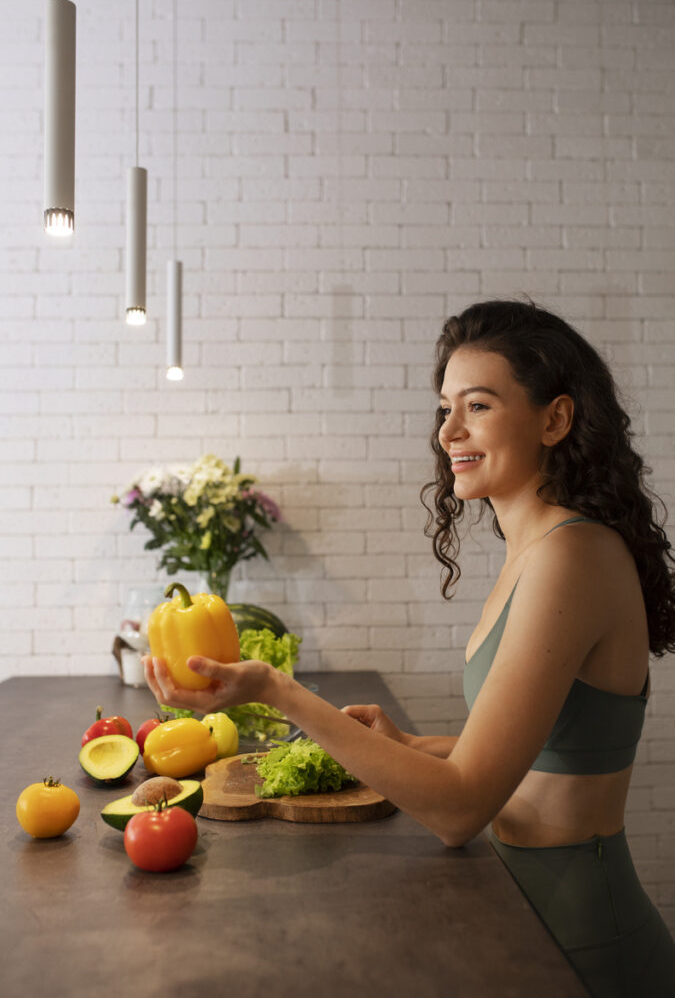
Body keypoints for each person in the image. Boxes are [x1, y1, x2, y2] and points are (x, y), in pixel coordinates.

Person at [143, 298, 675, 998]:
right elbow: (553, 754)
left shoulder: (569, 557)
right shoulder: (538, 550)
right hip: (527, 915)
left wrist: (279, 691)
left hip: (585, 942)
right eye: (444, 408)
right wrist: (412, 746)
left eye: (477, 406)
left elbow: (459, 811)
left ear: (555, 419)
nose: (448, 430)